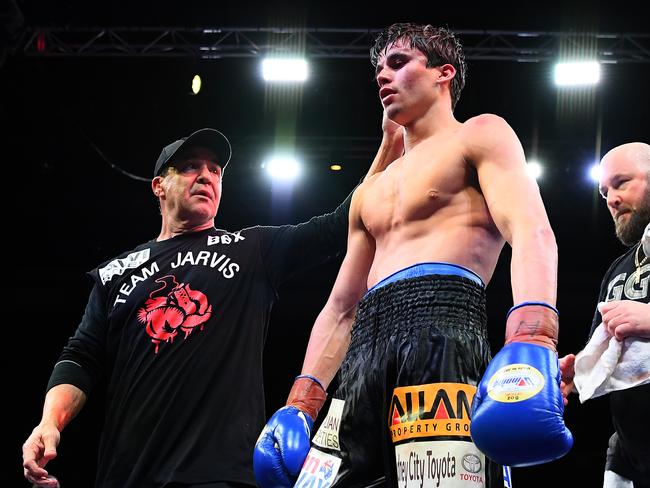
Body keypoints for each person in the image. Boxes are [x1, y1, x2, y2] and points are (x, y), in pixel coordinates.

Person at [254, 23, 572, 488]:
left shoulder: (479, 134)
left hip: (442, 333)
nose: (382, 76)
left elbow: (531, 231)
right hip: (363, 353)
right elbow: (341, 307)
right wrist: (302, 401)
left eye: (399, 63)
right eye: (379, 69)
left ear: (444, 74)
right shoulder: (370, 191)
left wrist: (534, 334)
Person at [21, 124, 403, 488]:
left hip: (220, 472)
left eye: (215, 170)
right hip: (127, 472)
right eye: (190, 167)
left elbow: (339, 224)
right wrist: (49, 422)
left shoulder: (252, 250)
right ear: (158, 186)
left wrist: (389, 142)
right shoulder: (116, 273)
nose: (206, 175)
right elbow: (81, 357)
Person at [560, 142, 650, 488]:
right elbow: (601, 347)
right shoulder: (618, 270)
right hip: (631, 453)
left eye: (622, 182)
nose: (611, 198)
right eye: (604, 192)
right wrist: (576, 370)